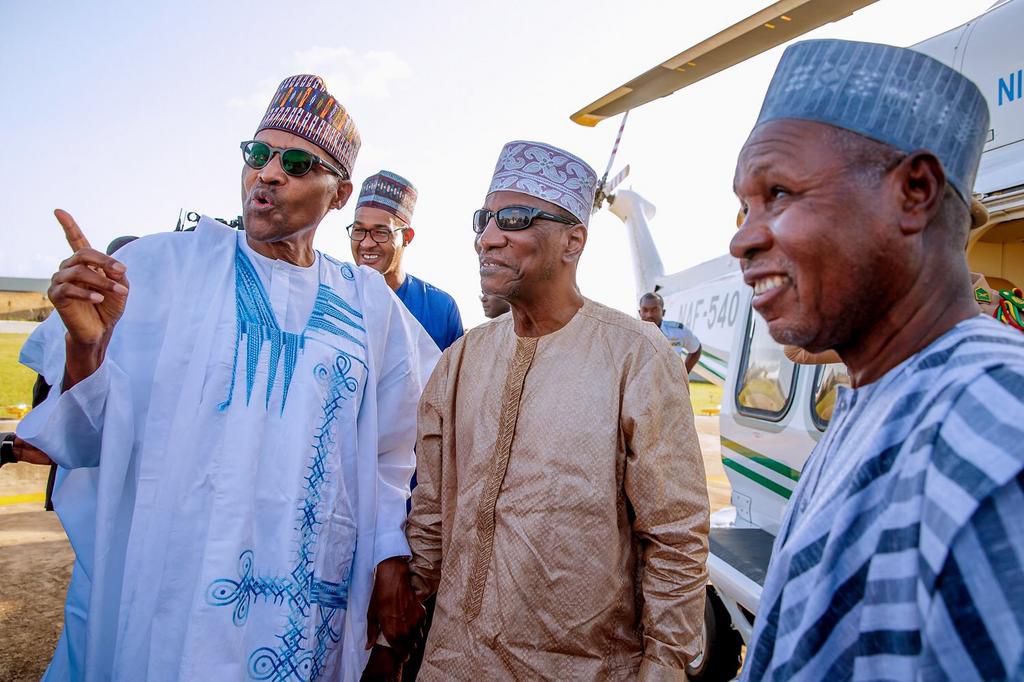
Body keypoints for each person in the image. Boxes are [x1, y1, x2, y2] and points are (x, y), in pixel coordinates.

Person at [17, 74, 438, 681]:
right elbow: (83, 444)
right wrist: (86, 348)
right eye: (257, 154)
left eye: (296, 162)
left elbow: (391, 456)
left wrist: (388, 558)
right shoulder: (158, 271)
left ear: (339, 193)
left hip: (299, 614)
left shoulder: (370, 306)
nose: (268, 173)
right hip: (169, 606)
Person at [731, 40, 1024, 680]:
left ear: (914, 191)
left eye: (778, 193)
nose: (743, 238)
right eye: (744, 206)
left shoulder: (996, 431)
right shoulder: (886, 391)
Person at [405, 140, 710, 680]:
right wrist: (397, 622)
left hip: (582, 667)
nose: (488, 238)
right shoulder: (461, 360)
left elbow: (675, 534)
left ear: (573, 240)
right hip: (452, 659)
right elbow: (429, 511)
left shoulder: (635, 355)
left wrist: (665, 661)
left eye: (516, 219)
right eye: (485, 218)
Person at [349, 170, 463, 351]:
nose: (367, 243)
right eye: (359, 230)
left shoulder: (439, 309)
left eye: (381, 232)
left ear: (407, 237)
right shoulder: (335, 296)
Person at [638, 291, 702, 373]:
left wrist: (684, 374)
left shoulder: (678, 331)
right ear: (640, 312)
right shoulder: (630, 335)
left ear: (663, 312)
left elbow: (696, 349)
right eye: (645, 310)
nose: (649, 315)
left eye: (655, 310)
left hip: (669, 384)